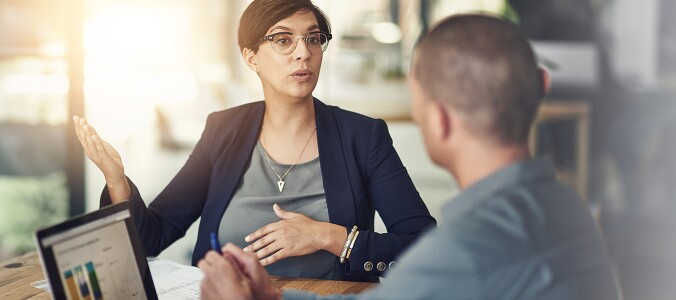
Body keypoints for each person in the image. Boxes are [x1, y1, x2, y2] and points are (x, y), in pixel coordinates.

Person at [198, 14, 620, 300]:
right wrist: (276, 295)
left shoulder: (461, 254)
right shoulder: (570, 207)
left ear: (437, 121)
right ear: (542, 86)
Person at [72, 0, 435, 282]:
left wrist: (330, 237)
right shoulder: (223, 130)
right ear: (251, 58)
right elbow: (154, 235)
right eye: (282, 40)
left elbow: (425, 245)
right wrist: (117, 181)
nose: (302, 52)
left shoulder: (363, 136)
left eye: (313, 38)